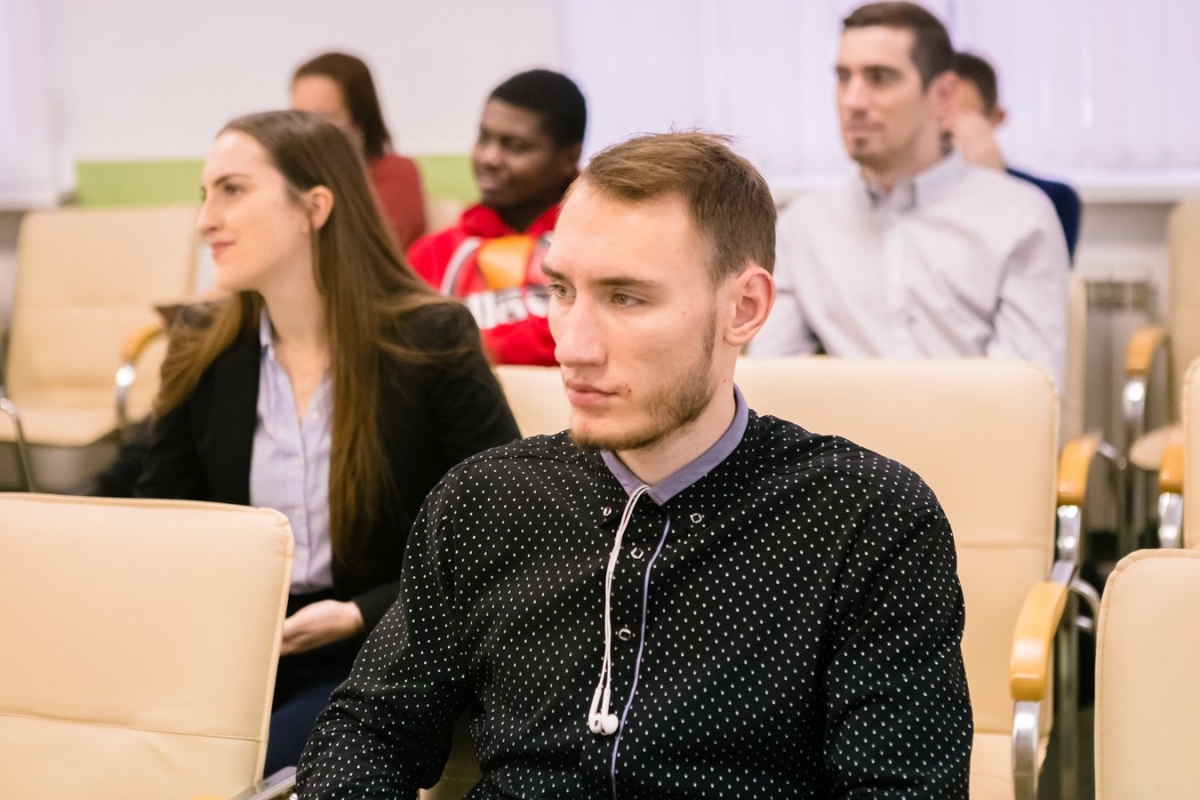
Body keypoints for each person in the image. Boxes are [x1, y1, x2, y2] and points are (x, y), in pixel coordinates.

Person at [296, 132, 972, 797]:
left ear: (744, 309)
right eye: (561, 291)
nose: (572, 347)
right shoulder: (485, 500)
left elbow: (901, 787)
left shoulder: (865, 520)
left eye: (626, 298)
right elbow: (367, 730)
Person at [134, 110, 520, 773]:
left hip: (385, 643)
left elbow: (500, 528)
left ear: (314, 207)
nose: (204, 221)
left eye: (232, 190)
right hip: (235, 642)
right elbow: (164, 514)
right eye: (205, 194)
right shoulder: (202, 344)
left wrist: (360, 613)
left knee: (259, 772)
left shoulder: (432, 338)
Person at [750, 1, 1069, 392]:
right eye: (844, 78)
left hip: (975, 432)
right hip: (842, 434)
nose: (853, 101)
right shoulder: (802, 228)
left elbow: (1025, 398)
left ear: (943, 95)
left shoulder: (1020, 218)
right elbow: (776, 389)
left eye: (880, 77)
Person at [408, 68, 586, 366]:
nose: (489, 158)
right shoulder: (433, 254)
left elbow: (586, 333)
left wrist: (463, 346)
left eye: (515, 146)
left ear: (569, 158)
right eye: (483, 138)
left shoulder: (596, 246)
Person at [950, 50, 1082, 262]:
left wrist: (989, 184)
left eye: (962, 119)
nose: (947, 130)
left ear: (997, 117)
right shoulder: (908, 197)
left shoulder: (1054, 199)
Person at [292, 51, 428, 249]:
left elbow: (375, 247)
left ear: (359, 120)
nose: (306, 131)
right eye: (297, 118)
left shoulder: (395, 171)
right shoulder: (288, 176)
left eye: (323, 119)